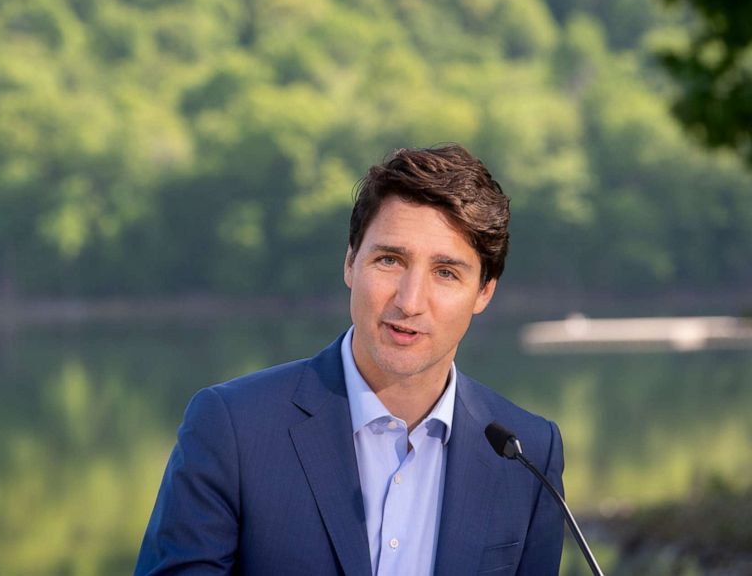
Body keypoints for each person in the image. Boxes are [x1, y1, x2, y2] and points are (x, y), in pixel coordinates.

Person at [135, 144, 565, 575]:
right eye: (390, 260)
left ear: (484, 291)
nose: (410, 302)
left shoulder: (529, 453)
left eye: (446, 272)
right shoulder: (231, 428)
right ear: (350, 262)